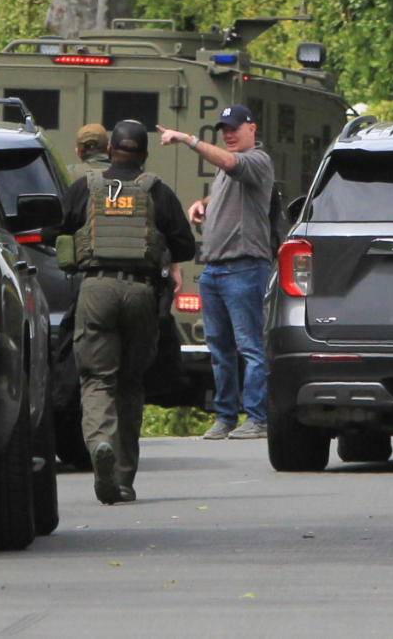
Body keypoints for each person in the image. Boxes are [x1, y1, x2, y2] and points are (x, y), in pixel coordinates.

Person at [58, 120, 195, 504]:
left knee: (97, 379)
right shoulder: (157, 191)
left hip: (96, 288)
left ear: (110, 150)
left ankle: (100, 442)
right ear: (144, 155)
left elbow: (58, 229)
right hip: (141, 292)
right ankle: (122, 477)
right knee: (131, 383)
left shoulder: (86, 187)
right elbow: (184, 246)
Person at [157, 105, 274, 440]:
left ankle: (258, 418)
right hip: (215, 270)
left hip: (245, 268)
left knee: (250, 346)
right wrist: (204, 204)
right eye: (224, 129)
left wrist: (188, 140)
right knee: (219, 349)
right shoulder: (230, 168)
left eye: (235, 127)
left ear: (252, 128)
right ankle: (225, 417)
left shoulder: (257, 160)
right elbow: (228, 180)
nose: (229, 133)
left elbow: (230, 163)